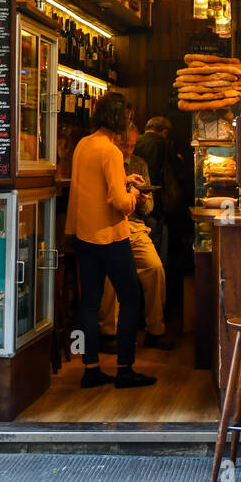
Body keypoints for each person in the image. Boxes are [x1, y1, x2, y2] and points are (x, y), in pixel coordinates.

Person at [64, 92, 156, 389]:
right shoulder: (112, 151)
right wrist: (134, 195)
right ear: (119, 118)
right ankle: (124, 369)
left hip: (83, 235)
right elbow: (120, 203)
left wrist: (125, 181)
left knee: (89, 303)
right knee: (130, 298)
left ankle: (90, 369)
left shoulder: (83, 145)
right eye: (127, 117)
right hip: (111, 237)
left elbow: (92, 187)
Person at [97, 123, 170, 351]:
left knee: (155, 267)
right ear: (114, 141)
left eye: (132, 145)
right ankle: (108, 333)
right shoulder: (105, 160)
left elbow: (148, 208)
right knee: (109, 274)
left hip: (134, 226)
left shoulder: (140, 163)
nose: (128, 150)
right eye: (124, 145)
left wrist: (142, 200)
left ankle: (154, 330)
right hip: (109, 225)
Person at [135, 115, 191, 347]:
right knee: (158, 266)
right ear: (165, 131)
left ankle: (137, 317)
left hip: (134, 214)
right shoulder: (165, 146)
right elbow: (178, 175)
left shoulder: (133, 144)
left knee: (138, 268)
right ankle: (156, 320)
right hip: (157, 211)